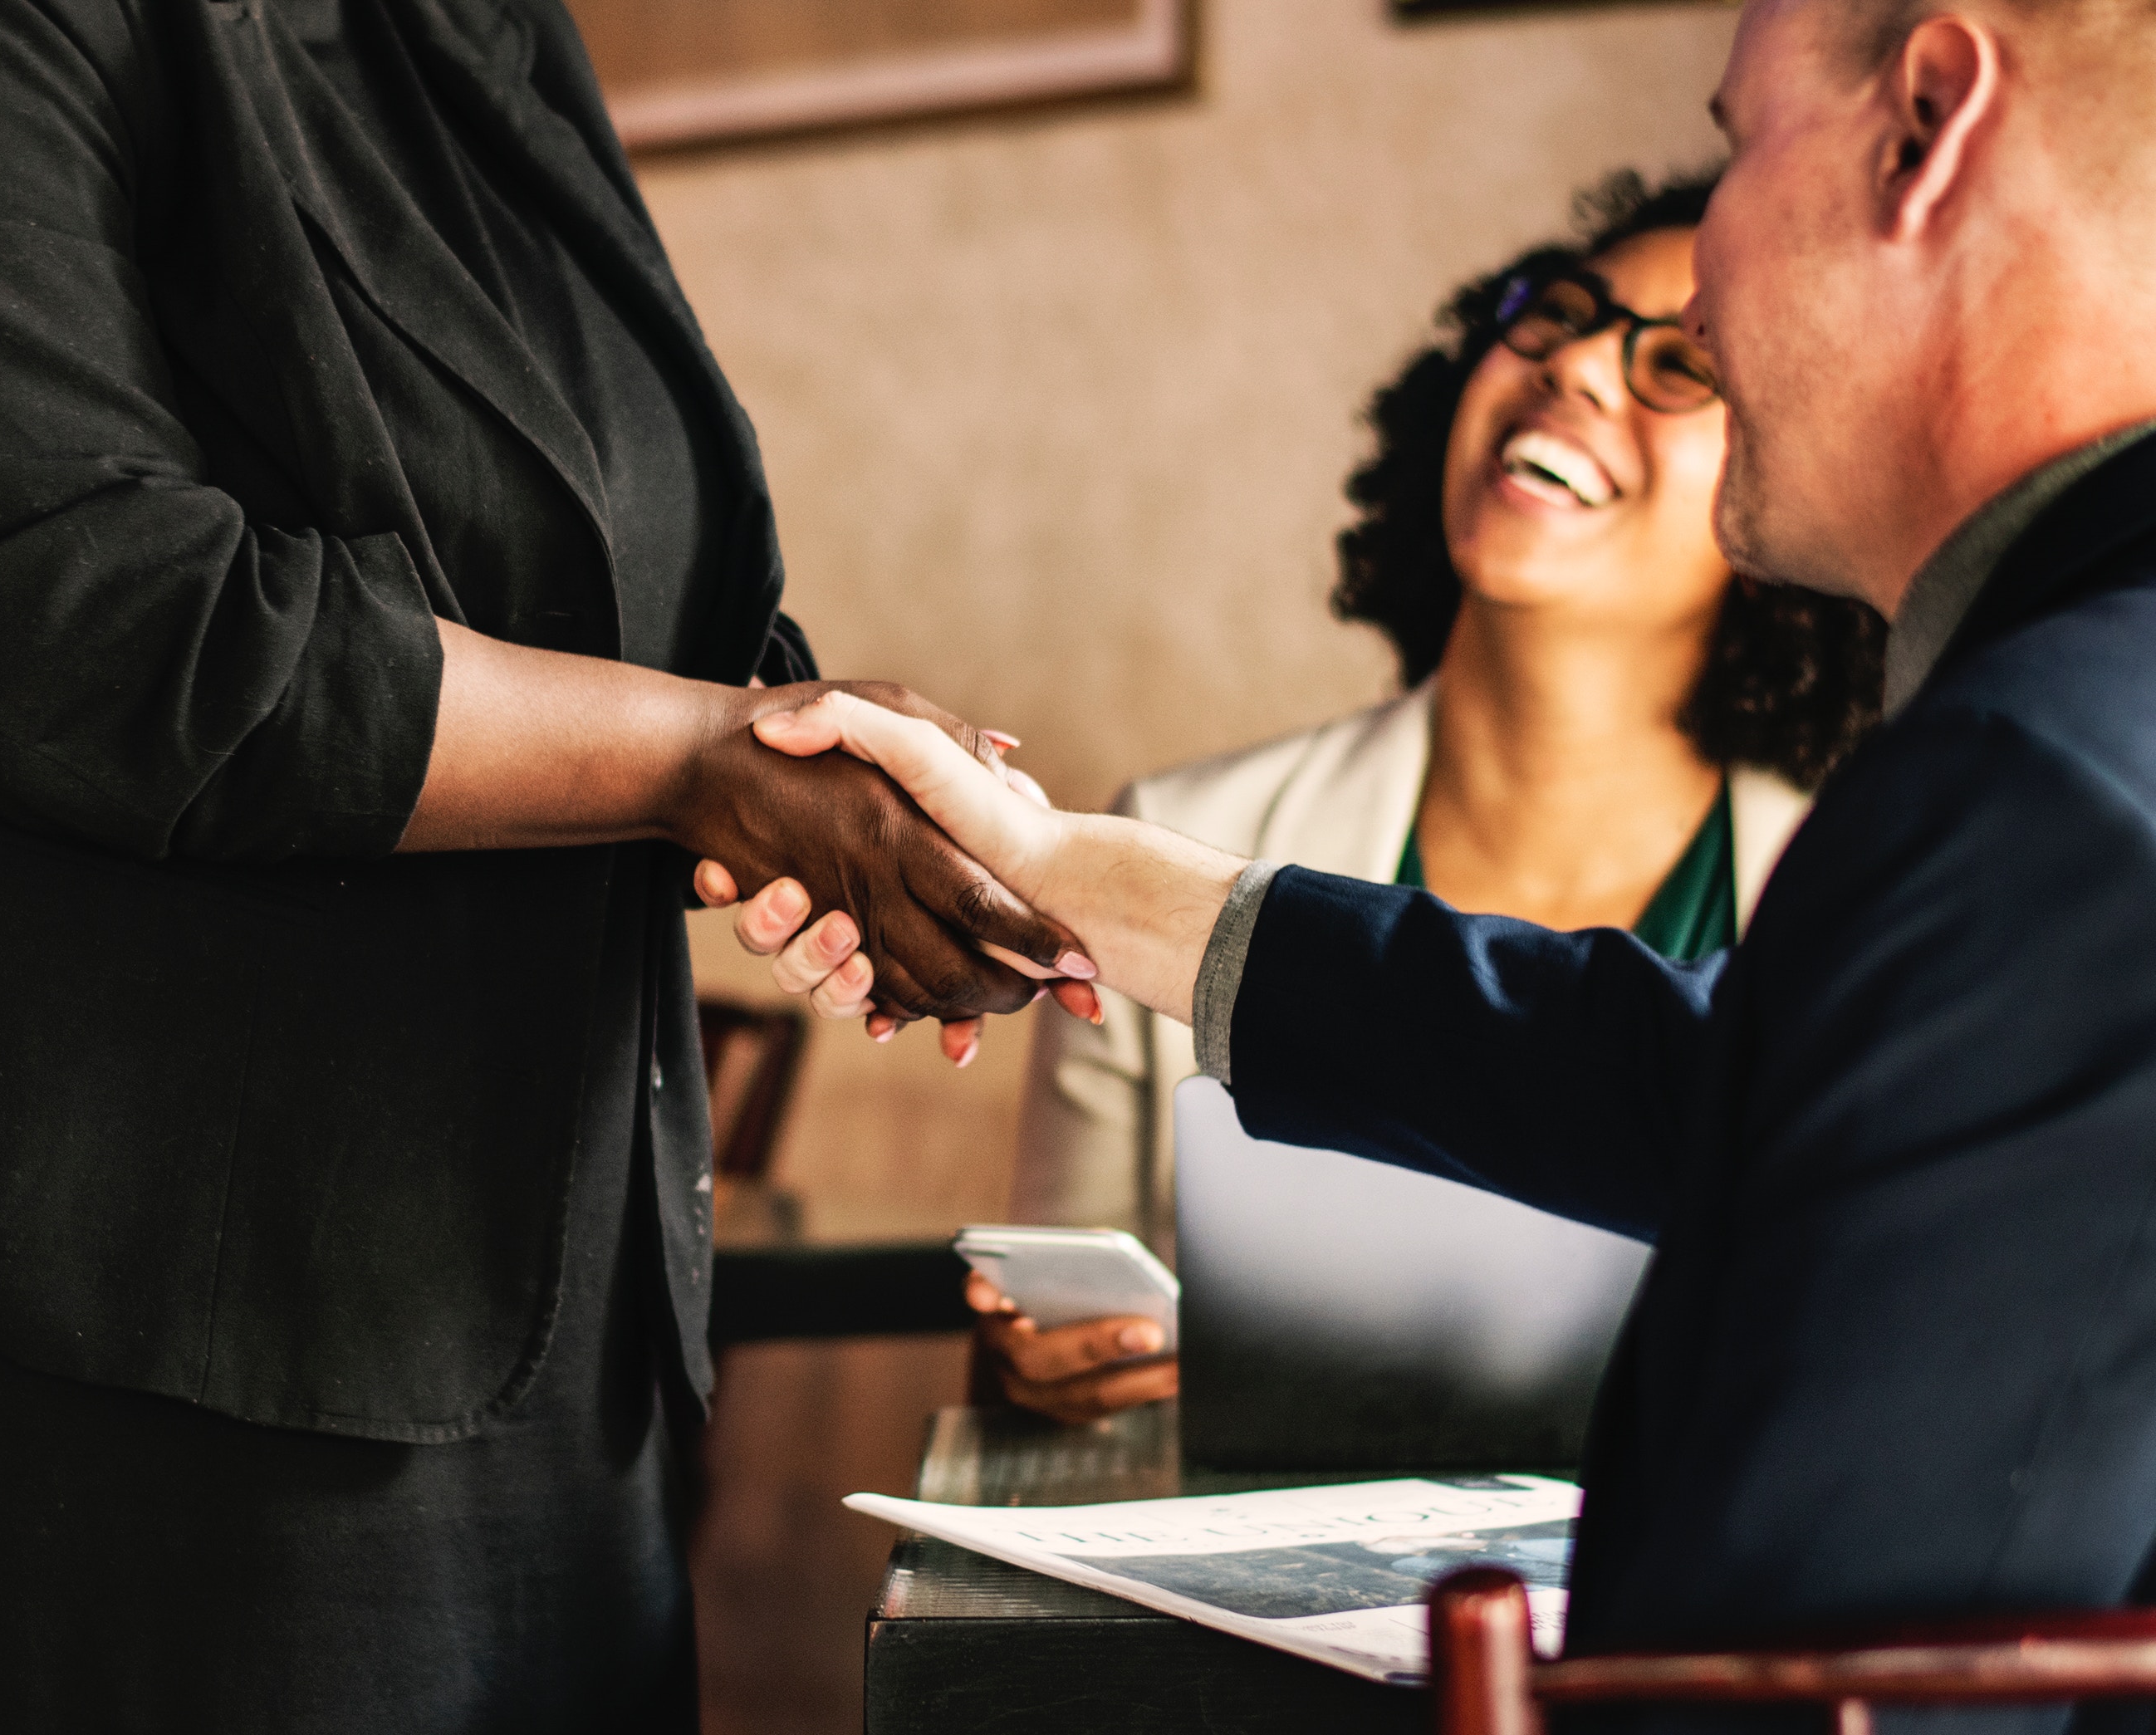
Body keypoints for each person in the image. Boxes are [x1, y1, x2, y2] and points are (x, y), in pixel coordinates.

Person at [731, 0, 2156, 1675]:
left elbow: (1783, 1676)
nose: (1690, 282)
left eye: (1738, 141)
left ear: (1924, 124)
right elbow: (1709, 1080)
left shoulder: (2037, 781)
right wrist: (1059, 871)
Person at [0, 1, 1082, 1728]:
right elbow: (90, 618)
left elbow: (591, 546)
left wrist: (822, 754)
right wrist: (706, 763)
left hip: (538, 1321)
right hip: (132, 1361)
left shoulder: (468, 23)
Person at [987, 173, 1884, 1424]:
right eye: (1555, 314)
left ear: (1789, 479)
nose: (1571, 368)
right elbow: (1053, 1331)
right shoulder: (1157, 840)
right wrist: (1055, 1374)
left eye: (1681, 364)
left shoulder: (1870, 885)